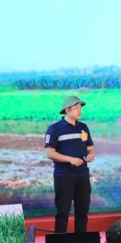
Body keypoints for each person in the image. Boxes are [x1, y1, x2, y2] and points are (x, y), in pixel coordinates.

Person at [44, 96, 95, 233]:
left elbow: (90, 148)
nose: (79, 111)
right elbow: (50, 153)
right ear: (67, 110)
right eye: (76, 108)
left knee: (83, 211)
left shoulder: (83, 127)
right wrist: (70, 159)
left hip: (82, 175)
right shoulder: (54, 129)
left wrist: (90, 155)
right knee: (63, 212)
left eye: (80, 108)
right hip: (64, 176)